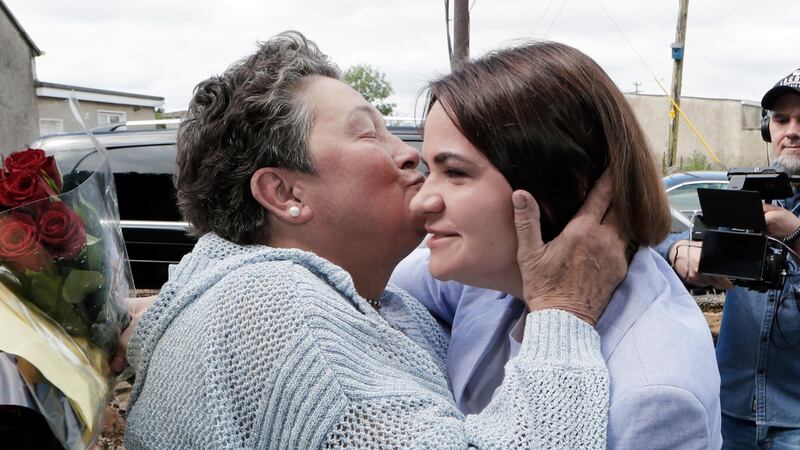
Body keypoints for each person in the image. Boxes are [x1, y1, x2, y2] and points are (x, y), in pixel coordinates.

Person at [123, 31, 629, 449]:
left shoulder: (363, 297)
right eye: (369, 134)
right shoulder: (279, 314)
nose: (410, 154)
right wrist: (562, 312)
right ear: (284, 193)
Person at [390, 41, 722, 449]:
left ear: (562, 185)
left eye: (455, 172)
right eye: (428, 169)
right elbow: (389, 281)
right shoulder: (489, 277)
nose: (423, 199)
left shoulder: (653, 393)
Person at [660, 68, 800, 449]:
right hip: (728, 409)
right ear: (767, 129)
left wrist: (795, 235)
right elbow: (651, 244)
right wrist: (679, 251)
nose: (792, 131)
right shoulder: (745, 195)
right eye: (782, 119)